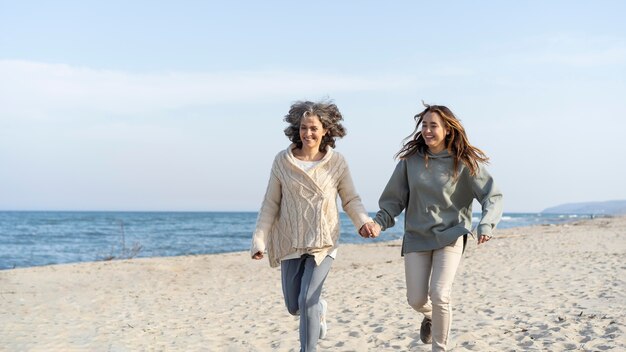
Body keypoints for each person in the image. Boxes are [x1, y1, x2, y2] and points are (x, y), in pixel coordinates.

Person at [360, 102, 503, 352]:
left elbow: (492, 196)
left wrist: (487, 224)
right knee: (416, 299)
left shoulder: (465, 162)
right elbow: (394, 200)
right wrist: (378, 224)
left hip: (451, 235)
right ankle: (429, 316)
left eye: (433, 125)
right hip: (417, 237)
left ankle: (440, 347)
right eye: (424, 125)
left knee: (440, 294)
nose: (427, 130)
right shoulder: (410, 162)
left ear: (447, 129)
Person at [251, 99, 375, 351]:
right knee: (294, 306)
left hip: (324, 242)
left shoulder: (336, 162)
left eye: (313, 128)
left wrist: (363, 222)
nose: (308, 133)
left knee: (307, 298)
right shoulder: (282, 162)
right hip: (290, 240)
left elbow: (350, 199)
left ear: (325, 130)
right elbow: (270, 204)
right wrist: (259, 240)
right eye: (303, 128)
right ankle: (319, 310)